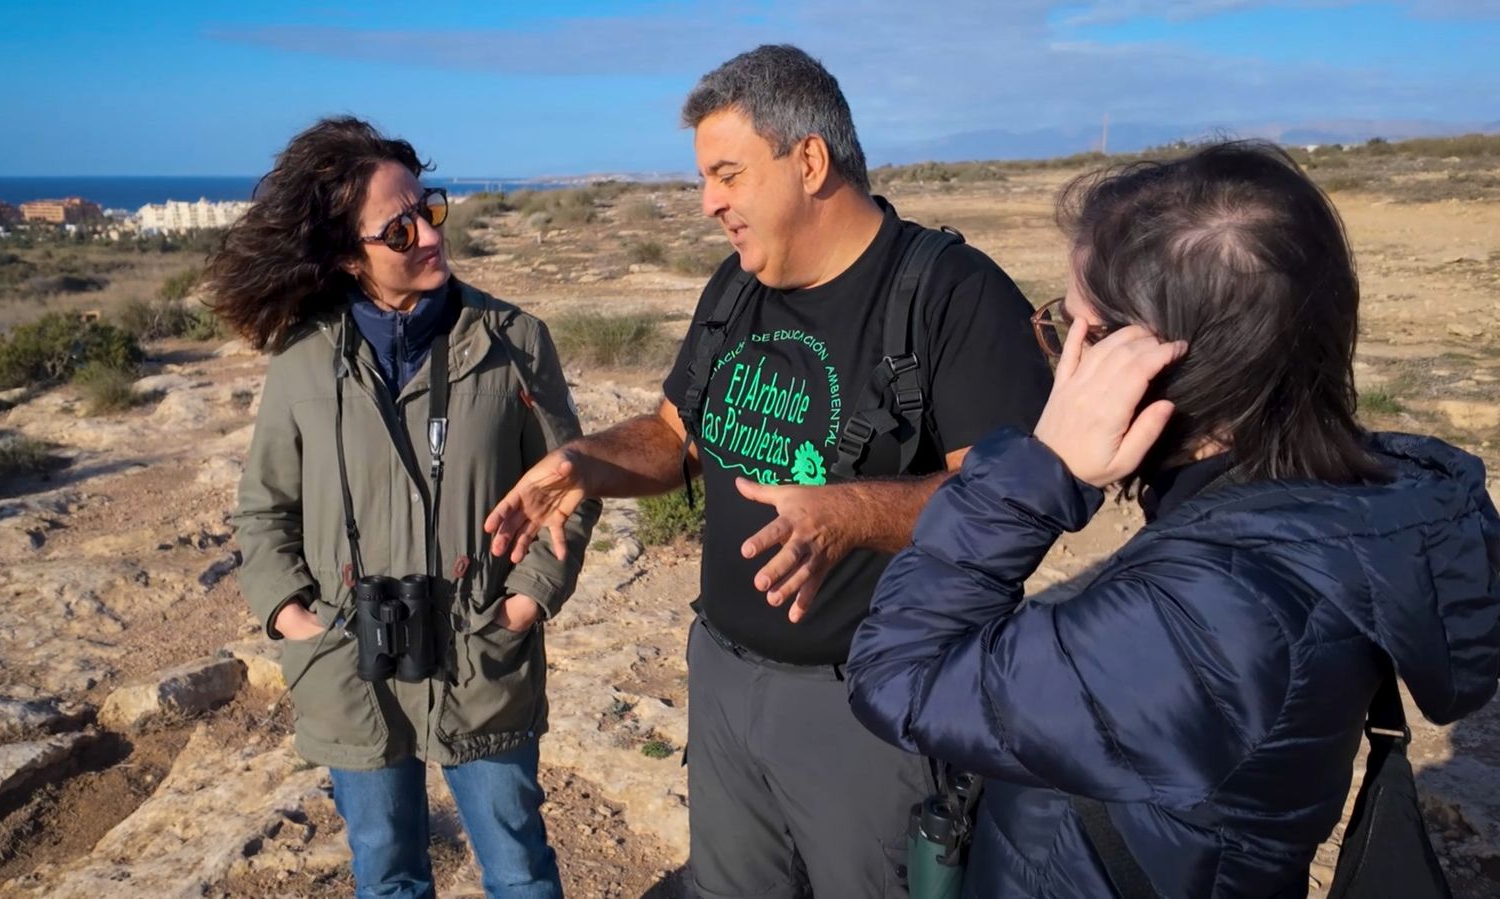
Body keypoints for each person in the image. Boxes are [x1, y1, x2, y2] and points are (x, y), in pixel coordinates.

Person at [846, 140, 1500, 897]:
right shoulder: (1321, 510)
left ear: (1150, 367)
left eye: (1075, 330)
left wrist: (1039, 472)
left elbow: (897, 673)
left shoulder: (1213, 612)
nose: (1060, 361)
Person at [485, 45, 1052, 897]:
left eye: (727, 175)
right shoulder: (735, 287)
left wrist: (852, 513)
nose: (708, 203)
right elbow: (673, 434)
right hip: (722, 678)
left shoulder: (952, 295)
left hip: (869, 707)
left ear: (810, 161)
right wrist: (584, 462)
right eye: (704, 180)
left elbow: (1011, 500)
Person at [210, 116, 600, 899]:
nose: (428, 234)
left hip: (481, 654)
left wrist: (524, 602)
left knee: (520, 869)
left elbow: (569, 487)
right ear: (348, 254)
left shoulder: (513, 340)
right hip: (349, 662)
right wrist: (292, 615)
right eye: (398, 228)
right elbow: (264, 511)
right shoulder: (303, 359)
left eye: (430, 209)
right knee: (387, 872)